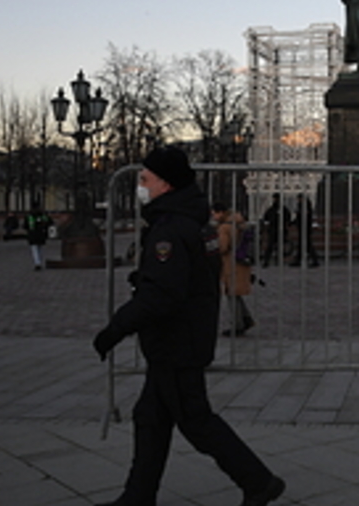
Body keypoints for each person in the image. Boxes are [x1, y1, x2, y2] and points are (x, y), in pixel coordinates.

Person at [92, 146, 285, 506]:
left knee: (195, 420)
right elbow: (187, 277)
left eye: (146, 179)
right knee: (150, 416)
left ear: (165, 184)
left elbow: (163, 295)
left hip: (176, 341)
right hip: (182, 337)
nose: (141, 184)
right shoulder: (191, 221)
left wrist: (115, 329)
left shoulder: (172, 228)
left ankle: (258, 481)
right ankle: (138, 496)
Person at [212, 201, 256, 336]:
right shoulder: (239, 222)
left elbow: (223, 247)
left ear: (221, 213)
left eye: (214, 213)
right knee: (235, 293)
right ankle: (246, 318)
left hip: (231, 264)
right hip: (241, 263)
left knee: (231, 293)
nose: (213, 217)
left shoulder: (225, 227)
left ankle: (238, 324)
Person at [260, 193, 291, 268]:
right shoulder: (279, 209)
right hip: (276, 230)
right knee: (273, 247)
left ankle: (271, 261)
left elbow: (266, 218)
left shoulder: (275, 209)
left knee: (275, 247)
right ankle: (270, 261)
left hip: (277, 230)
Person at [289, 193, 320, 268]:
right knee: (303, 245)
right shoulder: (303, 206)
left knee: (307, 245)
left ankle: (314, 260)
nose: (298, 200)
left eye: (299, 199)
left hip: (305, 228)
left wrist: (293, 222)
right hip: (303, 228)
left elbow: (302, 217)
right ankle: (299, 260)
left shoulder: (304, 206)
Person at [24, 203, 53, 270]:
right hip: (41, 234)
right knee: (40, 248)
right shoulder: (43, 216)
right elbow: (50, 222)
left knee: (34, 249)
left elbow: (25, 226)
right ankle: (39, 261)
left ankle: (37, 262)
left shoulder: (29, 216)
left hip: (32, 234)